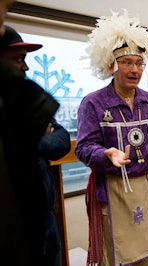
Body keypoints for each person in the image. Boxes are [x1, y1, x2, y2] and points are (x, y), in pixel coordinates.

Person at [75, 10, 148, 266]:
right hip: (112, 191)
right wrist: (106, 155)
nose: (135, 69)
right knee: (114, 256)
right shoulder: (93, 104)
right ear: (110, 65)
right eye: (127, 62)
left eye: (139, 63)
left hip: (145, 188)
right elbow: (83, 148)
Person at [0, 24, 71, 266]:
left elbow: (61, 140)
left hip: (46, 218)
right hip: (16, 225)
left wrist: (34, 141)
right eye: (18, 59)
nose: (26, 66)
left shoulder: (23, 103)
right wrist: (35, 138)